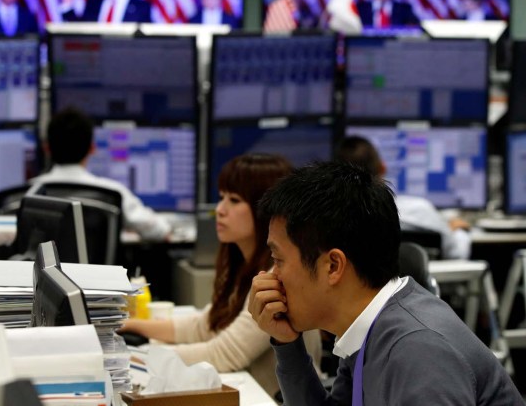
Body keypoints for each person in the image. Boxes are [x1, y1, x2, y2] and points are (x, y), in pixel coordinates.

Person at [248, 161, 522, 405]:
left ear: (333, 266)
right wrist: (287, 344)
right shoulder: (367, 328)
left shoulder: (419, 352)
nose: (272, 276)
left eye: (278, 259)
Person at [120, 153, 323, 396]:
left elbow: (224, 354)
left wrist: (134, 357)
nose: (220, 210)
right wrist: (131, 325)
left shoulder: (277, 277)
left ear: (267, 211)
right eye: (221, 197)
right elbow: (204, 325)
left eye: (234, 200)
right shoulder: (243, 265)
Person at [30, 107, 170, 242]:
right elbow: (158, 231)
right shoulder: (112, 193)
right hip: (98, 267)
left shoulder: (26, 193)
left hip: (40, 267)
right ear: (92, 148)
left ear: (46, 148)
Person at [335, 136, 471, 259]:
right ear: (382, 168)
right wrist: (459, 231)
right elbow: (457, 254)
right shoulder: (420, 211)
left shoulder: (335, 218)